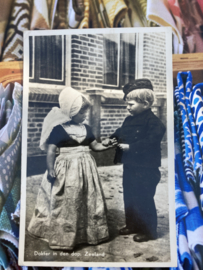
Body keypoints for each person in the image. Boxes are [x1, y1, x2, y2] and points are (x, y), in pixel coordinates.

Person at [27, 87, 116, 251]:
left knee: (86, 197)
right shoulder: (59, 129)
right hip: (66, 168)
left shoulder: (87, 129)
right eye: (81, 113)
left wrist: (106, 145)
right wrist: (50, 168)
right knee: (66, 198)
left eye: (85, 113)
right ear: (70, 112)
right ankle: (64, 235)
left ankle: (87, 232)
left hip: (86, 167)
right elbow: (51, 150)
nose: (84, 116)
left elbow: (94, 146)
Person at [102, 79, 166, 242]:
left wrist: (132, 147)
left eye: (131, 104)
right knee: (130, 196)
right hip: (131, 165)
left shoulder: (154, 123)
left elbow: (152, 140)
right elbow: (120, 132)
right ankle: (132, 224)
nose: (128, 107)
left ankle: (149, 231)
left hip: (147, 167)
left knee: (143, 197)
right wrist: (111, 139)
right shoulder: (129, 120)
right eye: (127, 104)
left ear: (145, 103)